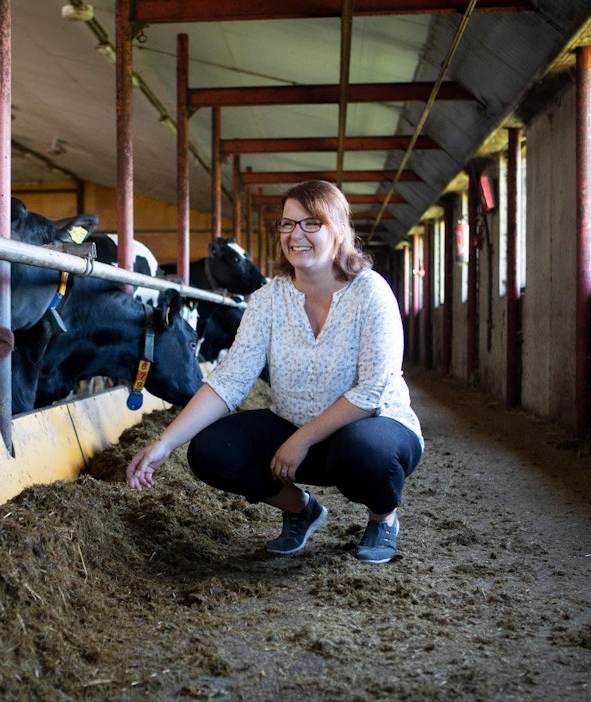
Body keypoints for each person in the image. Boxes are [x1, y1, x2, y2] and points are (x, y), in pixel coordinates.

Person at [126, 180, 424, 564]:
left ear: (338, 229)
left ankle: (383, 519)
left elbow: (371, 393)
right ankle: (302, 510)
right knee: (209, 450)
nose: (296, 235)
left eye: (310, 223)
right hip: (296, 425)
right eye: (287, 224)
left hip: (375, 427)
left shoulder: (370, 293)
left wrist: (301, 440)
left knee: (364, 452)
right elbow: (230, 380)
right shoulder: (269, 299)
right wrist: (164, 445)